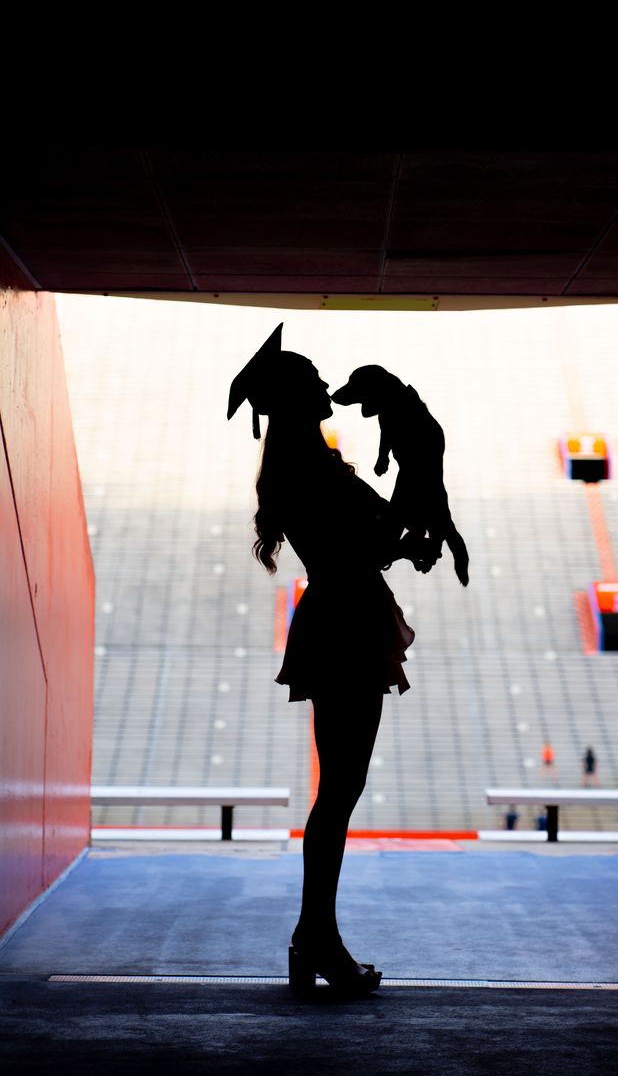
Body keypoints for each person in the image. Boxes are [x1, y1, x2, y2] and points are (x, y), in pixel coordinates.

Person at [227, 324, 437, 997]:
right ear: (292, 396)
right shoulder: (310, 468)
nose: (325, 385)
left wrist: (401, 545)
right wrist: (412, 482)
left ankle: (315, 938)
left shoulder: (304, 464)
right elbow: (366, 539)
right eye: (313, 379)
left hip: (341, 615)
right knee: (339, 791)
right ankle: (316, 939)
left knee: (339, 792)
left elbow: (367, 540)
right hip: (347, 622)